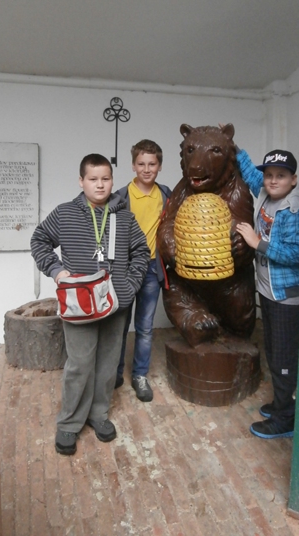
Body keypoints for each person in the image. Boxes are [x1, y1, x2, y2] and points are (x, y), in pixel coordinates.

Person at [31, 154, 150, 455]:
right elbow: (39, 240)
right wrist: (57, 272)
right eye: (93, 179)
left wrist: (129, 286)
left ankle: (99, 414)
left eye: (105, 179)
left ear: (112, 181)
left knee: (108, 364)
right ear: (81, 181)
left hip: (115, 305)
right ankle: (69, 423)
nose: (100, 185)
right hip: (79, 306)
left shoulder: (125, 217)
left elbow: (142, 252)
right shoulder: (65, 213)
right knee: (79, 364)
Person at [236, 148, 299, 439]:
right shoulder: (266, 192)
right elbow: (252, 175)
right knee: (274, 352)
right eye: (269, 175)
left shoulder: (295, 209)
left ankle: (286, 419)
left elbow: (297, 253)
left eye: (281, 176)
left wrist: (257, 243)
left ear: (293, 179)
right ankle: (281, 404)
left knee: (284, 358)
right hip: (268, 291)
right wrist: (235, 149)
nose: (273, 180)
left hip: (286, 297)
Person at [115, 139, 171, 402]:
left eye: (152, 164)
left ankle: (139, 375)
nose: (147, 169)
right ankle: (115, 372)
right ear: (133, 166)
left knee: (145, 327)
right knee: (119, 324)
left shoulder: (166, 195)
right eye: (141, 164)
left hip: (151, 268)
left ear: (159, 166)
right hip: (125, 270)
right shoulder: (120, 197)